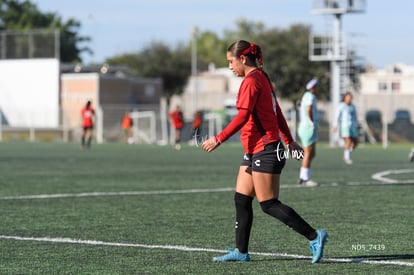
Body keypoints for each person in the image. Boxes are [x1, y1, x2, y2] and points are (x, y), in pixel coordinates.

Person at [201, 40, 328, 264]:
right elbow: (276, 111)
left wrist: (219, 138)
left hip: (266, 149)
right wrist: (289, 141)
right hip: (254, 150)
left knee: (268, 204)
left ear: (243, 58)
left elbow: (242, 116)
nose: (230, 67)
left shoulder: (252, 81)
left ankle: (314, 236)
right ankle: (241, 251)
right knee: (241, 199)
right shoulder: (262, 77)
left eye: (231, 61)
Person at [297, 78, 319, 187]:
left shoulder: (305, 96)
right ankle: (305, 178)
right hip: (308, 128)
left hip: (307, 128)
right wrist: (311, 121)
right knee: (308, 153)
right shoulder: (310, 96)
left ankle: (303, 176)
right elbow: (309, 109)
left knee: (312, 153)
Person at [333, 92, 359, 164]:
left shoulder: (353, 106)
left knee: (355, 142)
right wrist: (335, 125)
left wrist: (356, 125)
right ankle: (347, 157)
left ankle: (347, 152)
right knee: (348, 141)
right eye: (348, 97)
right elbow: (337, 116)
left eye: (350, 98)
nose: (349, 99)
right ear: (345, 98)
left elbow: (355, 116)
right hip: (345, 126)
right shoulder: (341, 106)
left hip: (352, 126)